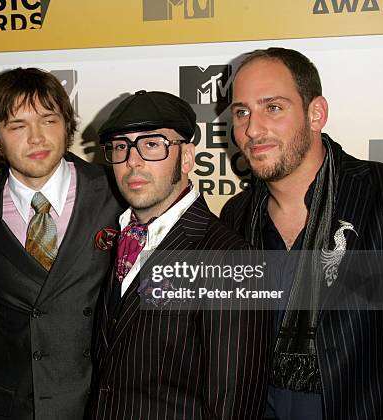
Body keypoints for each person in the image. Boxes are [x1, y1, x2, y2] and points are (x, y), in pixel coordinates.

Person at [221, 47, 383, 420]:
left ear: (316, 114)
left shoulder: (381, 196)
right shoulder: (234, 219)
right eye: (242, 112)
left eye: (273, 107)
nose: (252, 129)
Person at [88, 90, 272, 419]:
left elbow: (232, 407)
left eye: (152, 144)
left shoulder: (229, 258)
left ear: (187, 158)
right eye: (120, 147)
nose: (133, 161)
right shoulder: (118, 239)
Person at [0, 67, 123, 420]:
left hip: (100, 402)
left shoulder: (116, 194)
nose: (36, 138)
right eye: (18, 126)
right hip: (11, 406)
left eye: (48, 120)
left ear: (66, 126)